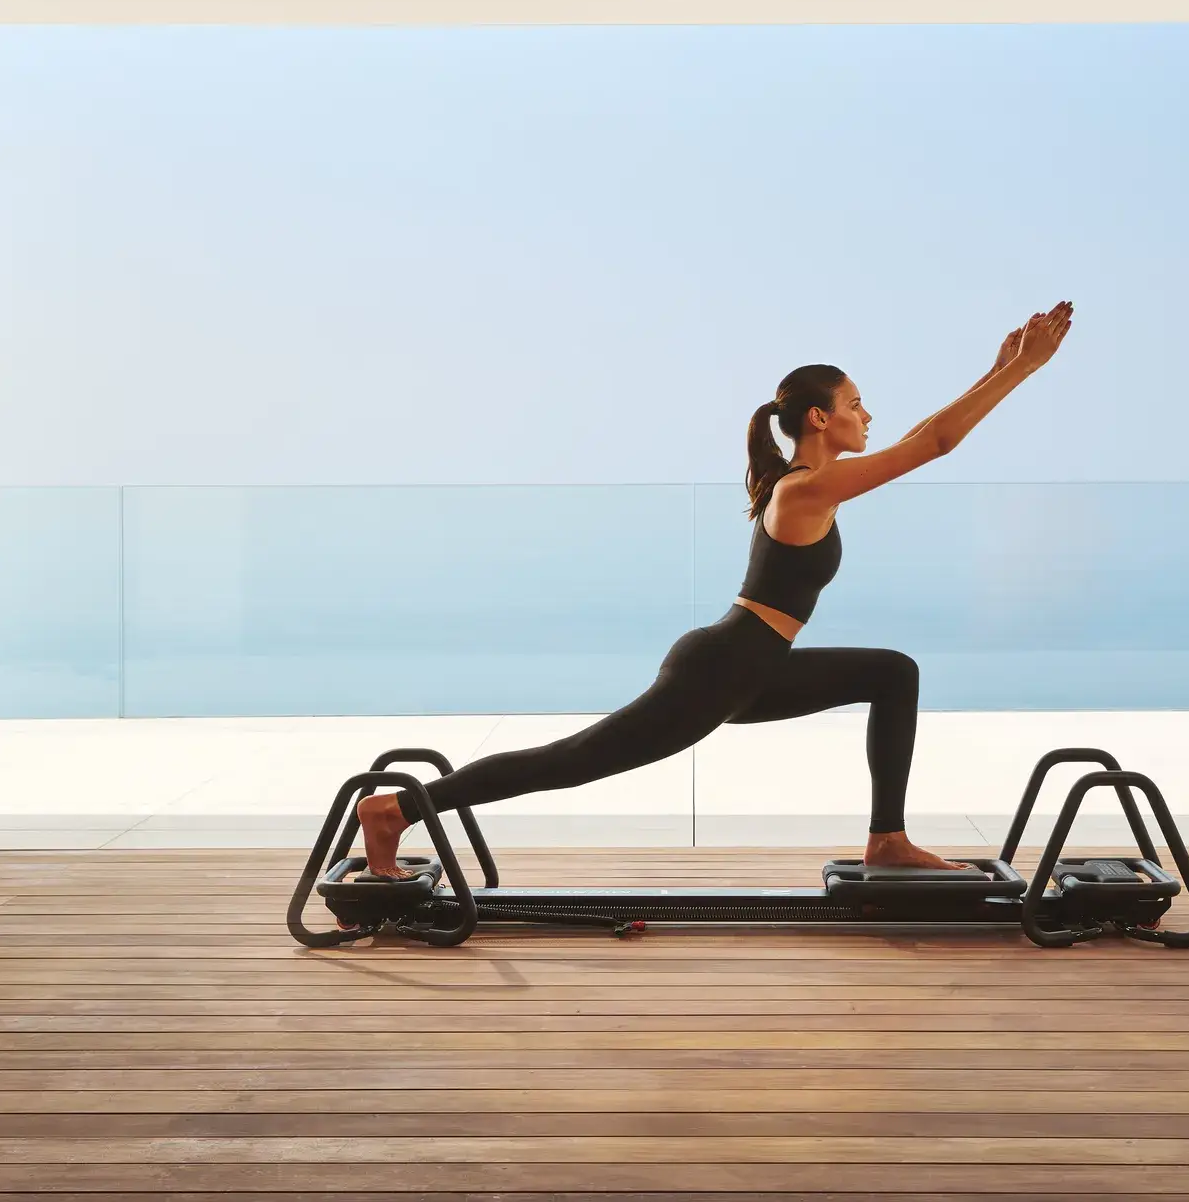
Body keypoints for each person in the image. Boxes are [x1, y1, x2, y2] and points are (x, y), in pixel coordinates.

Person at [355, 301, 1076, 877]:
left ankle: (887, 838)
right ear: (819, 418)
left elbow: (922, 434)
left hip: (751, 666)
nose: (867, 416)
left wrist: (999, 365)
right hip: (725, 666)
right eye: (856, 404)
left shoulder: (806, 486)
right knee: (572, 761)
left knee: (893, 673)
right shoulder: (806, 489)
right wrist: (1023, 370)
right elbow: (932, 442)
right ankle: (399, 809)